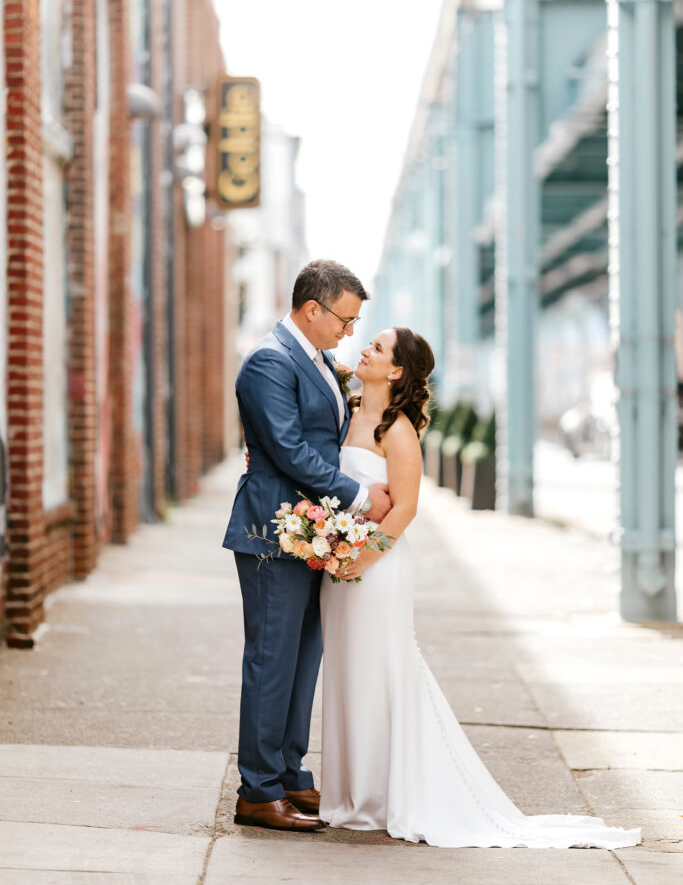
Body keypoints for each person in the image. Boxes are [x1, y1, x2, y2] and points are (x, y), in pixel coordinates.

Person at [319, 326, 641, 849]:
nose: (365, 350)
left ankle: (382, 797)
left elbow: (405, 508)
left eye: (376, 347)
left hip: (375, 570)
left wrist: (358, 560)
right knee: (347, 672)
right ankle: (352, 795)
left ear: (396, 370)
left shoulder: (397, 429)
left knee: (382, 670)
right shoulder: (346, 411)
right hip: (340, 568)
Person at [222, 260, 392, 833]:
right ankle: (257, 790)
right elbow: (290, 449)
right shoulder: (270, 362)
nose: (350, 333)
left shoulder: (318, 360)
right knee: (272, 659)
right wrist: (360, 496)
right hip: (272, 532)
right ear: (312, 309)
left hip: (313, 533)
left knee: (303, 658)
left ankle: (290, 775)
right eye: (345, 320)